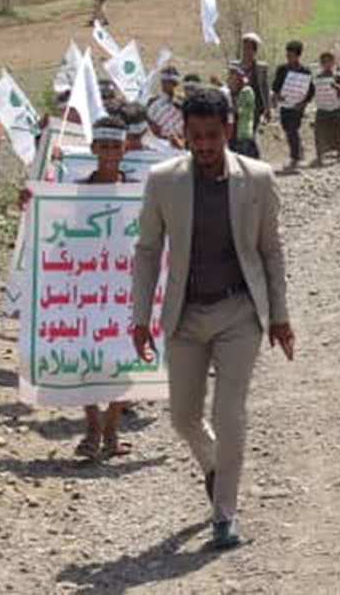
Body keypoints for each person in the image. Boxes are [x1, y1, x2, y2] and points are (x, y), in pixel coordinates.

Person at [129, 90, 293, 553]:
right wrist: (139, 316)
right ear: (184, 133)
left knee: (230, 412)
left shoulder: (257, 180)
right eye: (195, 137)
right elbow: (146, 252)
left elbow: (270, 252)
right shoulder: (164, 181)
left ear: (228, 130)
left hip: (239, 310)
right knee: (183, 415)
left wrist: (279, 316)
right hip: (185, 313)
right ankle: (215, 467)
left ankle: (224, 514)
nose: (203, 146)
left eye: (212, 136)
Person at [73, 114, 136, 460]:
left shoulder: (139, 191)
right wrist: (32, 201)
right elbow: (54, 225)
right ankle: (92, 427)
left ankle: (111, 428)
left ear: (125, 148)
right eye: (104, 146)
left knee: (125, 361)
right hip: (86, 288)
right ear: (93, 148)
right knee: (86, 361)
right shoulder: (77, 190)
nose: (110, 152)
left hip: (126, 289)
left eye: (116, 145)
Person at [271, 42, 312, 174]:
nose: (288, 57)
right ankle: (299, 150)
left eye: (291, 55)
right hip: (285, 105)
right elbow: (276, 86)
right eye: (287, 55)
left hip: (297, 107)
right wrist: (277, 96)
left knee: (292, 128)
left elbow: (310, 90)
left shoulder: (305, 71)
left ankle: (295, 157)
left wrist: (303, 103)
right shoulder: (282, 69)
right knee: (286, 128)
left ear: (298, 56)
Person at [309, 52, 340, 167]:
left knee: (337, 132)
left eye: (329, 62)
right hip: (322, 109)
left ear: (333, 63)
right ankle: (320, 157)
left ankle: (339, 154)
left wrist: (336, 87)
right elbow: (312, 91)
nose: (326, 64)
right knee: (319, 133)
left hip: (335, 109)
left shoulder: (338, 76)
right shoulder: (318, 78)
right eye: (324, 62)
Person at [236, 33, 271, 140]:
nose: (245, 51)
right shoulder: (235, 66)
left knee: (250, 133)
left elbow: (265, 88)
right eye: (244, 48)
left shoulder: (261, 68)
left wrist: (268, 108)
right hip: (238, 105)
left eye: (248, 48)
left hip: (255, 106)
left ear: (254, 50)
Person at [146, 67, 186, 148]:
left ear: (175, 83)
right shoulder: (153, 102)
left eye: (170, 82)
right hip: (158, 143)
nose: (166, 85)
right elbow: (148, 120)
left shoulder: (182, 101)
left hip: (179, 142)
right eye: (164, 82)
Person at [226, 66, 260, 158]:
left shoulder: (246, 92)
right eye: (230, 78)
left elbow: (242, 110)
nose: (231, 81)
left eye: (234, 78)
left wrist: (231, 109)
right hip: (232, 132)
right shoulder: (229, 92)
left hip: (243, 131)